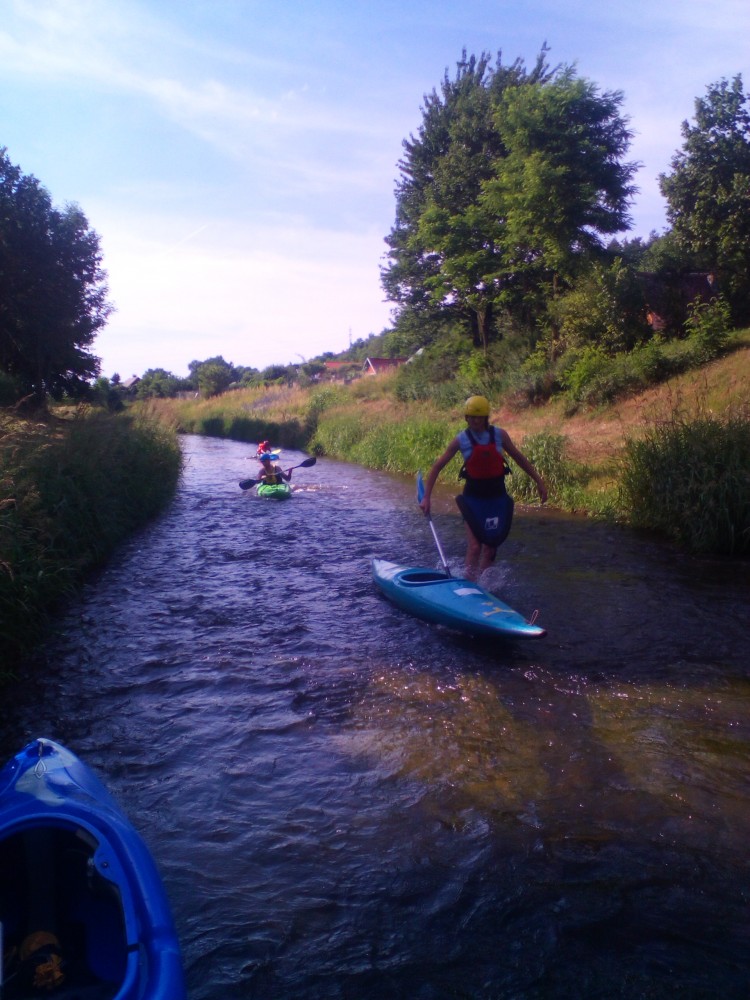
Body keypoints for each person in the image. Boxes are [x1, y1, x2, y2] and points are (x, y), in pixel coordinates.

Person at [419, 395, 547, 580]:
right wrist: (426, 497)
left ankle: (484, 587)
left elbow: (520, 459)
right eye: (471, 417)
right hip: (473, 499)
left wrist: (539, 481)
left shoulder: (500, 435)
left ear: (486, 417)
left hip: (497, 498)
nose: (475, 421)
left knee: (490, 547)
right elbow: (437, 467)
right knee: (474, 546)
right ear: (466, 418)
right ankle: (469, 585)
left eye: (478, 417)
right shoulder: (461, 440)